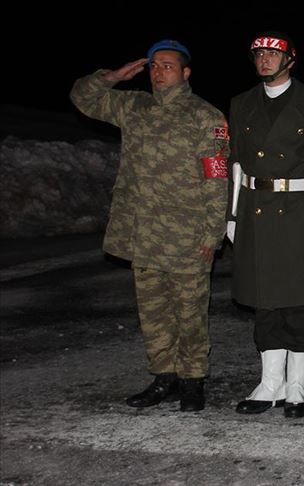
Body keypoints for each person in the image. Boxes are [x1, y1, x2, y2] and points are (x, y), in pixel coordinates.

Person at [70, 39, 229, 412]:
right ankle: (164, 377)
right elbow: (83, 98)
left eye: (167, 66)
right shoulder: (133, 106)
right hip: (143, 232)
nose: (159, 72)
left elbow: (216, 178)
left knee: (190, 312)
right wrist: (112, 77)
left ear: (185, 72)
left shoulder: (205, 116)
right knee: (153, 312)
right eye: (154, 65)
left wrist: (213, 233)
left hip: (187, 233)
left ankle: (192, 381)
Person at [227, 31, 304, 418]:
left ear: (290, 60)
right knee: (264, 300)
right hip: (256, 210)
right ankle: (270, 382)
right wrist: (232, 215)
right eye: (259, 53)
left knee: (296, 300)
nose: (264, 59)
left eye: (272, 54)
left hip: (297, 212)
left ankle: (297, 384)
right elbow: (235, 164)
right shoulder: (241, 104)